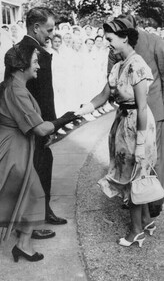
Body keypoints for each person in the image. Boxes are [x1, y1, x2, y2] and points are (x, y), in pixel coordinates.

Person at [0, 43, 77, 278]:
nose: (39, 66)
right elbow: (41, 129)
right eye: (35, 61)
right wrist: (65, 118)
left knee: (28, 197)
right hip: (9, 151)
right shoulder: (17, 90)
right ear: (22, 65)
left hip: (10, 147)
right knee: (6, 200)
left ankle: (20, 245)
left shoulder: (11, 85)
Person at [75, 18, 157, 248]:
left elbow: (141, 106)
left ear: (124, 38)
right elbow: (104, 95)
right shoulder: (118, 65)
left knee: (133, 177)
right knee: (131, 173)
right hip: (123, 124)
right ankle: (147, 220)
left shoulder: (137, 64)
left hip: (137, 126)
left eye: (109, 39)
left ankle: (136, 231)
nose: (106, 43)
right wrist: (85, 109)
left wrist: (140, 143)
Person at [10, 7, 68, 231]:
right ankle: (31, 222)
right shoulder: (32, 52)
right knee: (35, 170)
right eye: (49, 29)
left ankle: (43, 212)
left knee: (41, 166)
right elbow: (40, 95)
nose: (51, 35)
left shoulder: (20, 49)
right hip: (34, 123)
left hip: (30, 122)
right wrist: (49, 126)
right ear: (35, 27)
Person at [108, 15, 164, 217]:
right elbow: (111, 75)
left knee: (149, 157)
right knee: (137, 157)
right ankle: (139, 200)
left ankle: (153, 201)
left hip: (152, 109)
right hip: (137, 110)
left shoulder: (154, 40)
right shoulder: (117, 43)